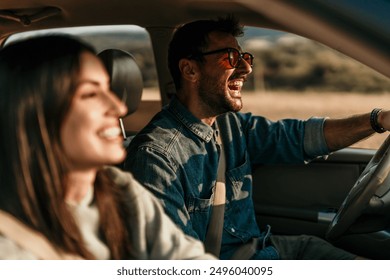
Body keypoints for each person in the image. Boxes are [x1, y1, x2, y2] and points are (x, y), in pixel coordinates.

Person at [124, 16, 390, 260]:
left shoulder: (228, 124)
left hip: (264, 250)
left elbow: (296, 138)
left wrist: (377, 120)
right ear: (190, 70)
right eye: (230, 57)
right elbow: (178, 264)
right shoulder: (155, 157)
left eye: (245, 58)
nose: (246, 69)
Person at [0, 35, 216, 260]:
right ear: (32, 114)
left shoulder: (120, 192)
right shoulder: (8, 250)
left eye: (108, 89)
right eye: (91, 94)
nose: (119, 107)